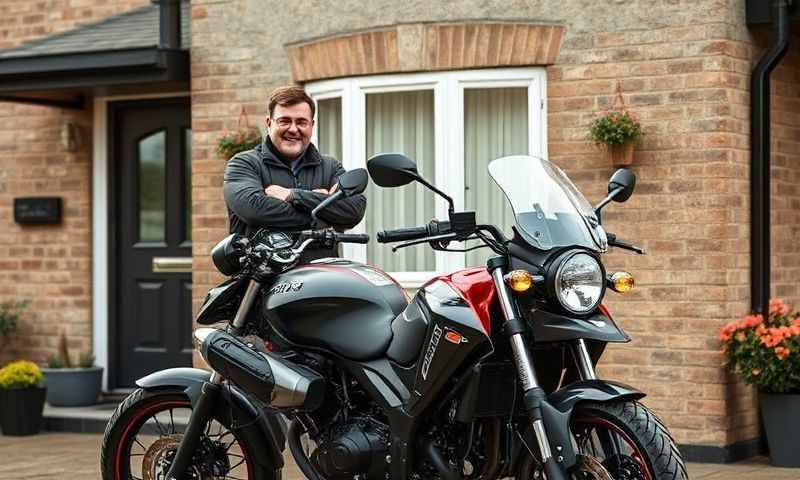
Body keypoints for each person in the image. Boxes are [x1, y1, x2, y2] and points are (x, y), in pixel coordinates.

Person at [223, 86, 366, 261]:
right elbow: (255, 209)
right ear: (269, 123)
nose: (293, 129)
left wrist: (292, 195)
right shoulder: (244, 164)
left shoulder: (330, 167)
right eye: (284, 121)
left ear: (311, 125)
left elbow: (353, 209)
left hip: (321, 279)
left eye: (301, 122)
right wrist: (324, 212)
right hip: (261, 282)